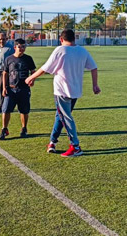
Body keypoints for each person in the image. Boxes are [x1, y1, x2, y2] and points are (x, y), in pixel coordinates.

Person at [25, 29, 100, 157]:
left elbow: (45, 67)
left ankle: (75, 147)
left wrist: (31, 77)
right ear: (74, 39)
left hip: (62, 91)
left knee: (66, 118)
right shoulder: (82, 51)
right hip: (75, 91)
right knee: (60, 116)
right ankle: (52, 142)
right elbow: (93, 67)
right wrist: (95, 85)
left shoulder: (60, 50)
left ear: (61, 39)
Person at [0, 38, 36, 140]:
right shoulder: (9, 59)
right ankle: (4, 129)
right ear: (15, 47)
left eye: (23, 47)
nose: (22, 49)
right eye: (19, 47)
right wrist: (4, 88)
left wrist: (32, 80)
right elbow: (5, 73)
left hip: (24, 89)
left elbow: (33, 71)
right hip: (11, 89)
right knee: (5, 110)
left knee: (24, 111)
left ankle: (24, 129)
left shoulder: (28, 59)